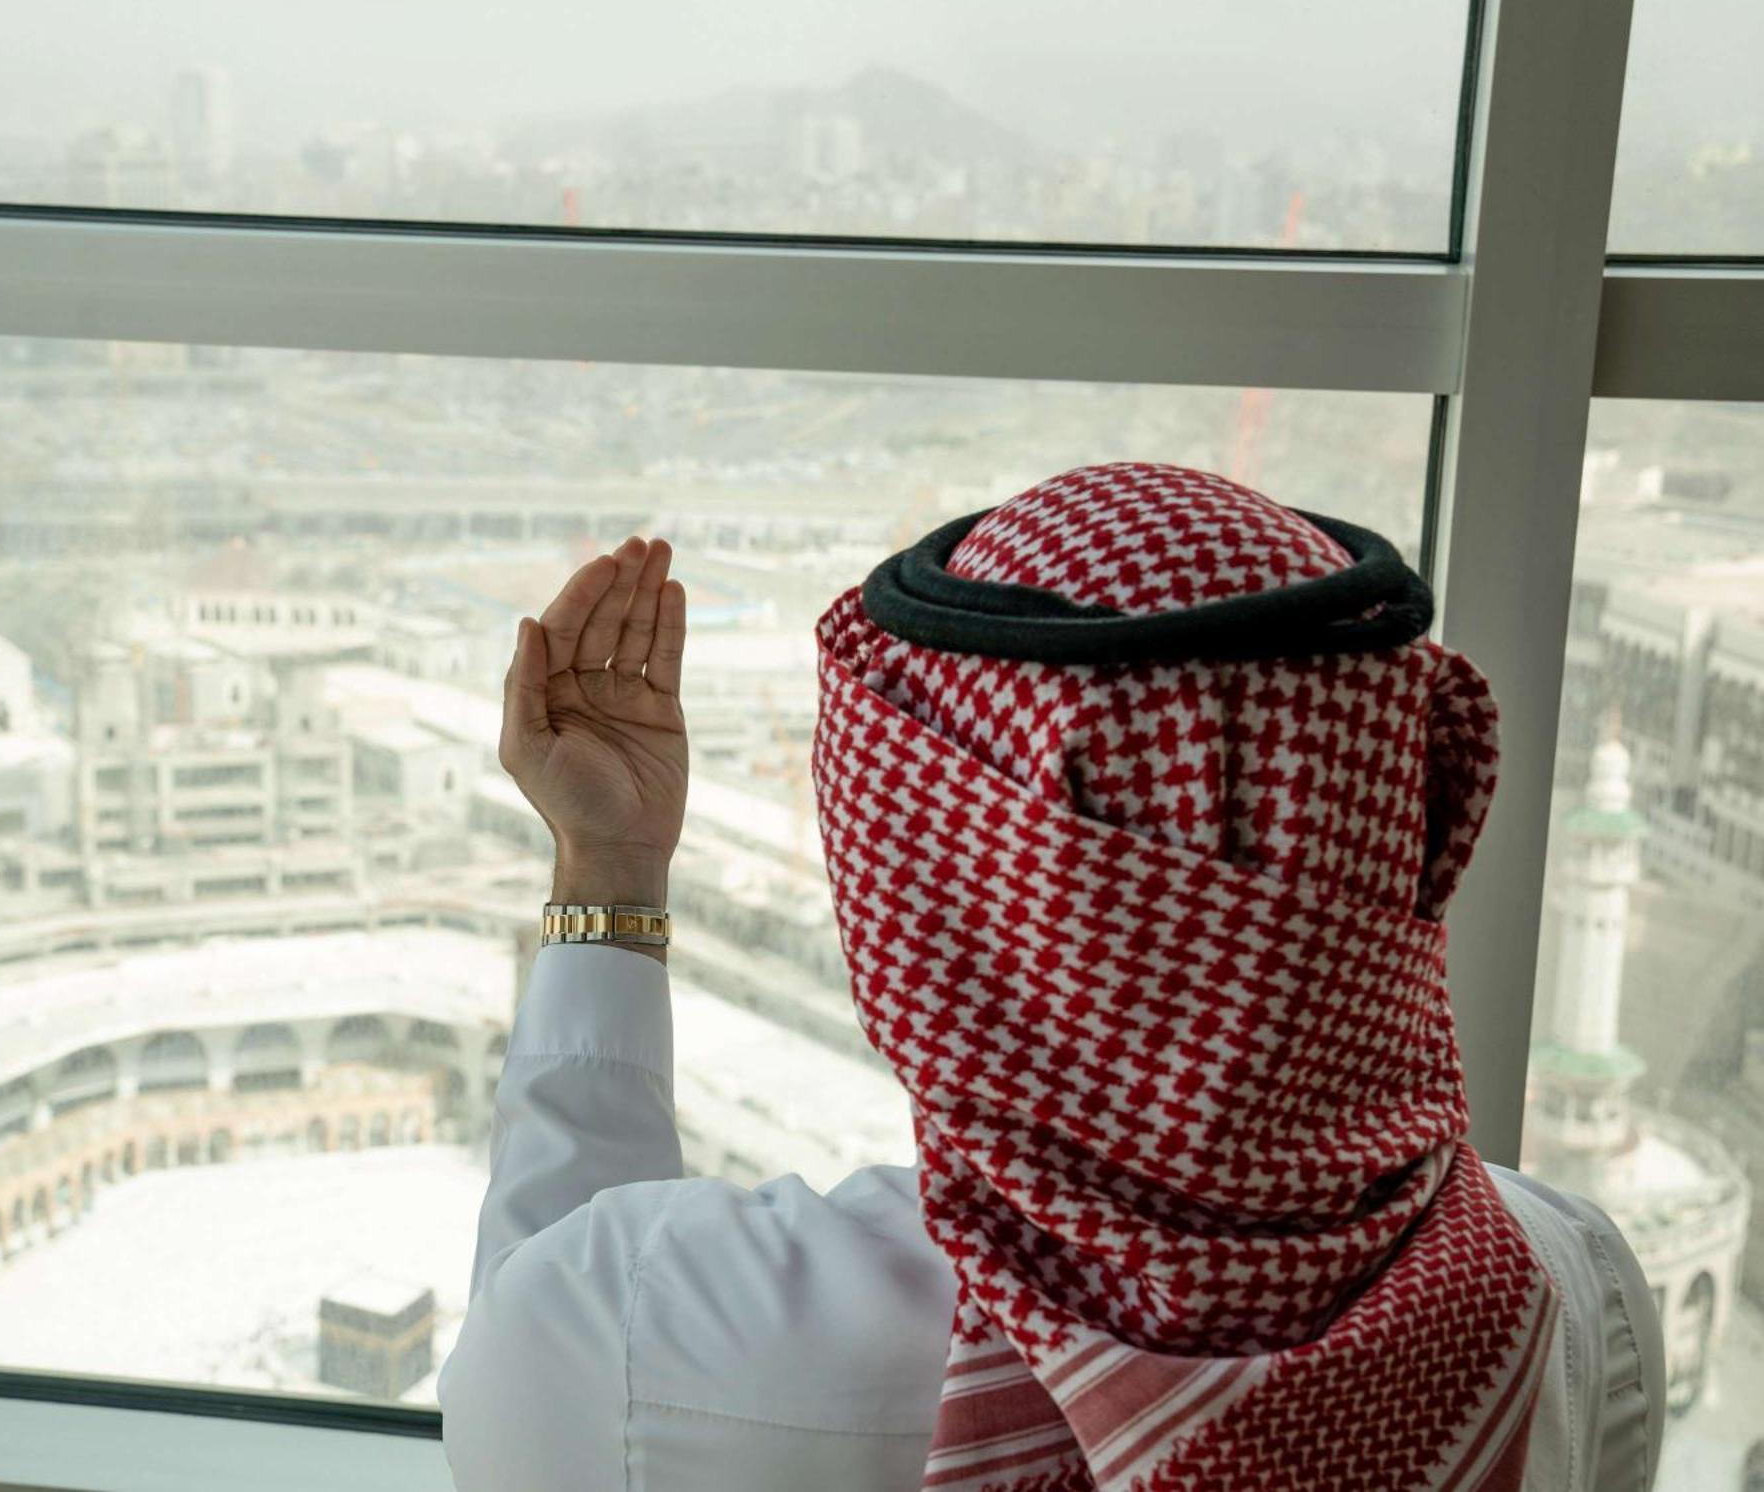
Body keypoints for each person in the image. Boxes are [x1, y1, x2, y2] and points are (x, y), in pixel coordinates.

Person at [439, 464, 1666, 1492]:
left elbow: (518, 1357)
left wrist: (606, 867)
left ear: (918, 875)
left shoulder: (668, 1329)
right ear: (1383, 838)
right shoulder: (1567, 1289)